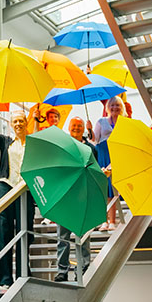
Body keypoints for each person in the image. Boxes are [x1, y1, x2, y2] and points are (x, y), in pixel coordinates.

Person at [0, 106, 35, 289]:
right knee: (3, 232)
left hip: (25, 190)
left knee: (24, 232)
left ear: (26, 123)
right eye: (15, 121)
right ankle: (4, 279)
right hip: (5, 187)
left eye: (21, 121)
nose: (18, 124)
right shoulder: (6, 141)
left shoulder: (33, 143)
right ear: (11, 125)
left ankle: (23, 275)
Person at [54, 117, 97, 282]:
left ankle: (83, 269)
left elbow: (95, 171)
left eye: (79, 126)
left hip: (83, 197)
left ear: (83, 129)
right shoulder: (61, 148)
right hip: (65, 197)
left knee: (83, 237)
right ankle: (62, 271)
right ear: (69, 128)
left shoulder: (90, 149)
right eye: (74, 126)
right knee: (62, 238)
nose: (77, 128)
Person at [87, 96, 126, 231]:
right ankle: (104, 220)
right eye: (112, 105)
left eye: (117, 105)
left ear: (121, 107)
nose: (115, 108)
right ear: (107, 107)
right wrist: (90, 129)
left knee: (112, 189)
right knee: (104, 189)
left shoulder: (124, 122)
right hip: (103, 155)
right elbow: (94, 139)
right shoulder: (101, 121)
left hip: (117, 156)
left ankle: (113, 221)